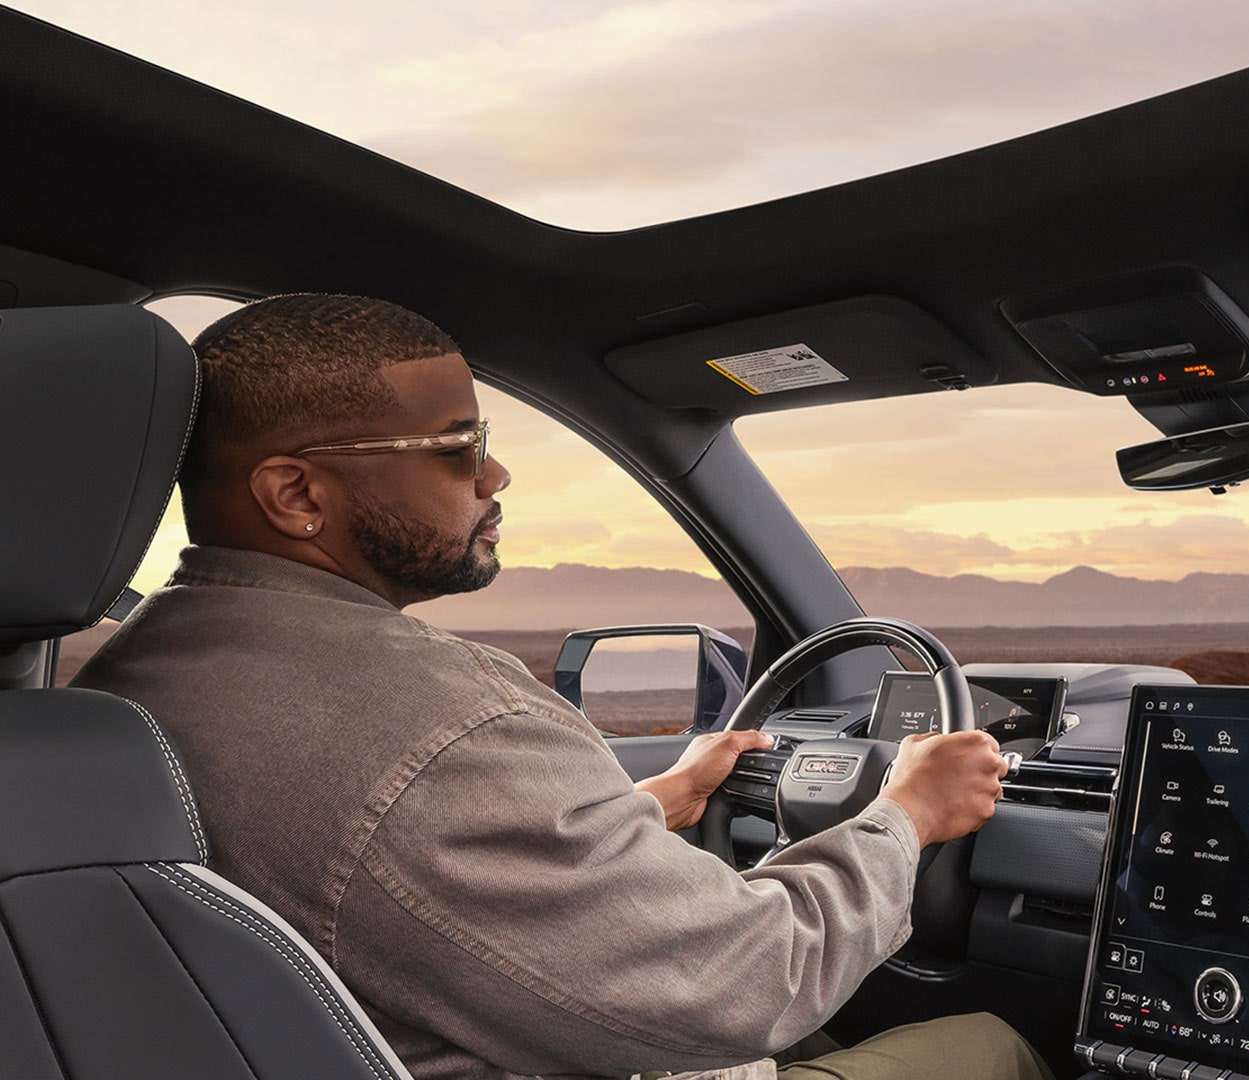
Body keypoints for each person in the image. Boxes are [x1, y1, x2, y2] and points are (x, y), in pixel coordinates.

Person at [74, 294, 1052, 1080]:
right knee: (991, 1044)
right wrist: (907, 815)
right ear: (296, 496)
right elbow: (751, 980)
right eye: (453, 447)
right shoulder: (451, 725)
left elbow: (386, 858)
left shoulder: (131, 679)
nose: (494, 473)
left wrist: (650, 803)